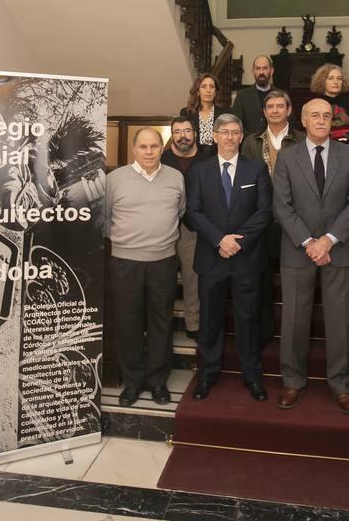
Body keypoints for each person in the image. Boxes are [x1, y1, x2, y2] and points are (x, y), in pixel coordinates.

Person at [272, 98, 349, 414]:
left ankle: (341, 384)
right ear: (304, 120)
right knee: (294, 318)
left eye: (327, 115)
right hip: (298, 250)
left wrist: (328, 240)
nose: (322, 120)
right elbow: (281, 206)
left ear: (332, 121)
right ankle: (292, 381)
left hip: (339, 249)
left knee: (340, 321)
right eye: (315, 115)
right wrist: (310, 242)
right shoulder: (286, 157)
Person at [185, 113, 272, 401]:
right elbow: (193, 212)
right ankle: (207, 375)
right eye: (225, 132)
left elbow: (264, 212)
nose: (231, 137)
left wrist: (238, 242)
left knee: (248, 318)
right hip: (211, 257)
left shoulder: (256, 169)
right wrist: (219, 239)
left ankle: (253, 377)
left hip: (246, 258)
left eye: (236, 132)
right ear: (215, 136)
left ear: (242, 135)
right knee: (209, 320)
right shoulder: (199, 170)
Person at [105, 127, 185, 407]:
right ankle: (133, 383)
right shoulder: (114, 180)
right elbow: (104, 218)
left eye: (154, 146)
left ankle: (157, 381)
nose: (149, 152)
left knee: (161, 323)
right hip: (125, 263)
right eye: (143, 147)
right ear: (134, 149)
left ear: (160, 148)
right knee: (128, 324)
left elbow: (180, 211)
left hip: (163, 262)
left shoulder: (176, 177)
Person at [242, 89, 305, 344]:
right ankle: (265, 332)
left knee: (296, 280)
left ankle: (295, 336)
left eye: (281, 106)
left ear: (289, 110)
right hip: (262, 220)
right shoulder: (250, 142)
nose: (276, 110)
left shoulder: (302, 139)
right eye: (271, 107)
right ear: (264, 112)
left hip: (294, 219)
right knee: (262, 279)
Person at [161, 116, 207, 341]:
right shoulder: (162, 158)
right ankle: (162, 327)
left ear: (195, 133)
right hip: (164, 227)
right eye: (177, 131)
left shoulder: (207, 158)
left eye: (187, 131)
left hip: (193, 229)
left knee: (192, 279)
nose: (183, 136)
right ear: (172, 135)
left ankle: (193, 324)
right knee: (163, 280)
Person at [310, 63, 349, 159]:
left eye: (339, 78)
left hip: (348, 155)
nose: (336, 82)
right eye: (330, 78)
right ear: (322, 81)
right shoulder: (314, 105)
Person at [180, 73, 226, 156]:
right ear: (197, 91)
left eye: (211, 87)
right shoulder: (186, 113)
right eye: (204, 87)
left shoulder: (224, 113)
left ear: (215, 92)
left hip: (217, 157)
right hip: (193, 157)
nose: (208, 90)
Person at [232, 55, 275, 135]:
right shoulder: (242, 96)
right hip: (249, 145)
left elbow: (289, 123)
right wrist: (252, 142)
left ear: (271, 71)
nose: (261, 72)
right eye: (258, 68)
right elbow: (236, 124)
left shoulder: (282, 95)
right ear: (253, 71)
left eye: (265, 68)